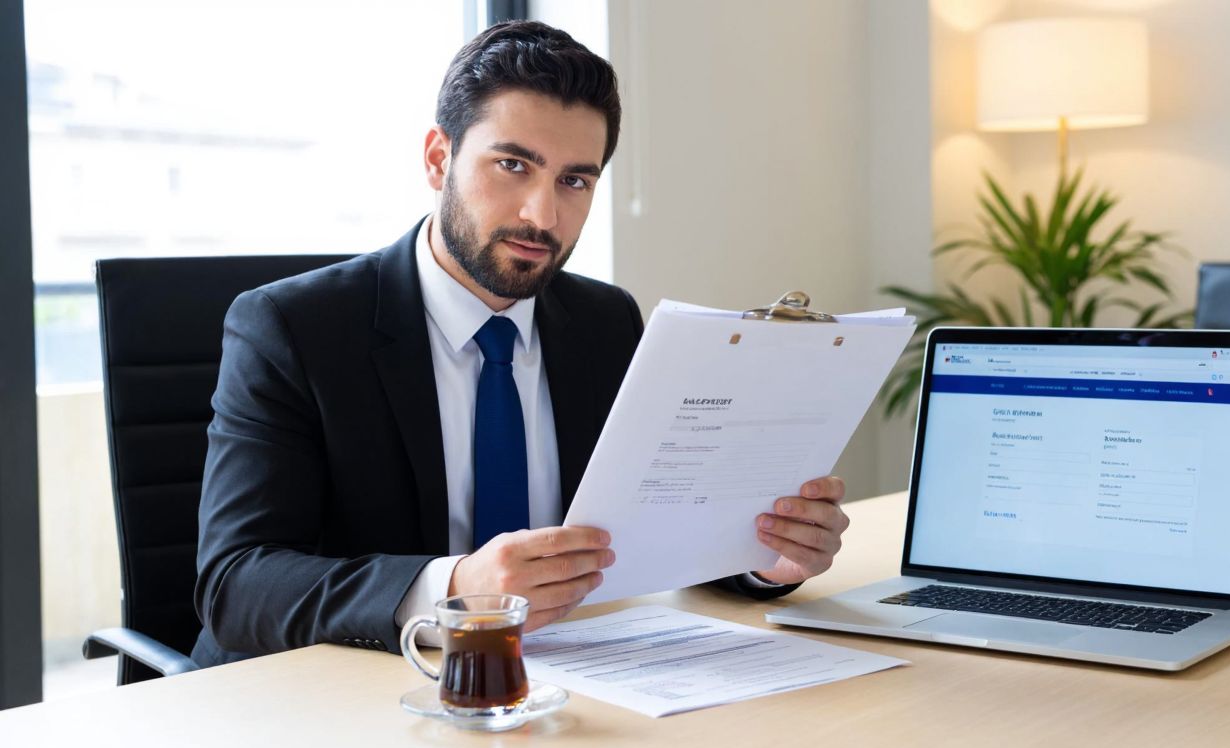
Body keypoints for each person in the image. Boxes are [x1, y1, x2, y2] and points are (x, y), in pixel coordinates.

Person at [192, 20, 850, 667]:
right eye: (512, 165)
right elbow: (236, 583)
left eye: (575, 180)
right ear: (437, 158)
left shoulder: (606, 321)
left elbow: (659, 535)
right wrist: (454, 590)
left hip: (554, 681)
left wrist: (765, 558)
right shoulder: (292, 327)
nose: (543, 215)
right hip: (330, 693)